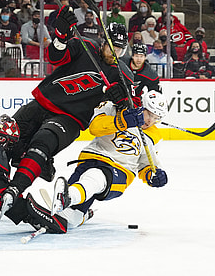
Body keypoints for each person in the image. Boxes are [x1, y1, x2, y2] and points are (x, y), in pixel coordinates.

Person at [0, 11, 135, 222]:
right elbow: (55, 56)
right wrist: (61, 35)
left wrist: (122, 101)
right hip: (41, 104)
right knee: (4, 141)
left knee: (41, 142)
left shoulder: (122, 75)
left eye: (119, 49)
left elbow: (131, 111)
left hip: (69, 119)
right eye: (111, 47)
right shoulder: (85, 47)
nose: (114, 53)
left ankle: (14, 191)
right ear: (103, 42)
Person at [50, 91, 168, 228]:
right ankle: (78, 212)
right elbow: (95, 127)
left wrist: (153, 176)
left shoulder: (155, 136)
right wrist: (123, 120)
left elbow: (145, 165)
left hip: (120, 171)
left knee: (96, 176)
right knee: (71, 216)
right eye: (149, 114)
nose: (150, 121)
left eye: (156, 118)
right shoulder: (115, 108)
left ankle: (68, 196)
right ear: (141, 106)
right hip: (91, 158)